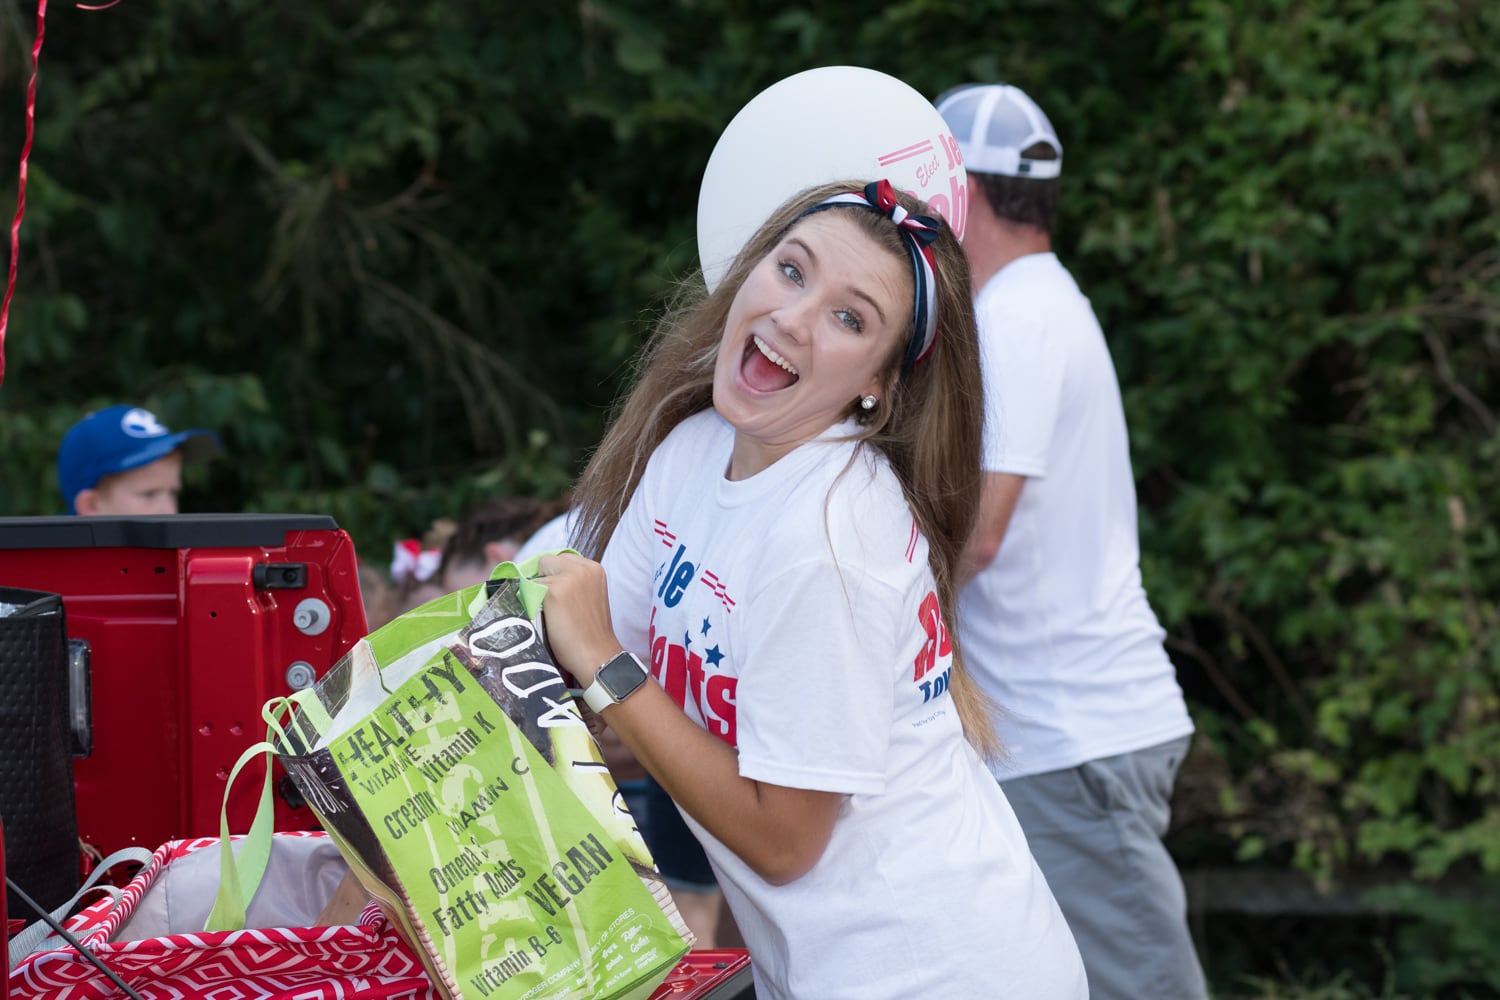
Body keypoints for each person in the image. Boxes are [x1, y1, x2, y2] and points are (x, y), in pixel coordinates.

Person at [533, 178, 1086, 998]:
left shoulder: (830, 540)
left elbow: (785, 843)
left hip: (942, 974)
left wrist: (605, 663)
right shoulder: (692, 451)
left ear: (879, 386)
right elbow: (602, 707)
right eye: (793, 272)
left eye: (849, 317)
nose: (795, 317)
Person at [936, 82, 1206, 1000]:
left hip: (1068, 735)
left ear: (959, 193)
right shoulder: (1041, 306)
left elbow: (977, 534)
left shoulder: (1014, 319)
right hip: (1064, 735)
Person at [56, 404, 219, 515]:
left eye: (173, 492)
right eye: (148, 494)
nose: (169, 511)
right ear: (91, 505)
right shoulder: (53, 566)